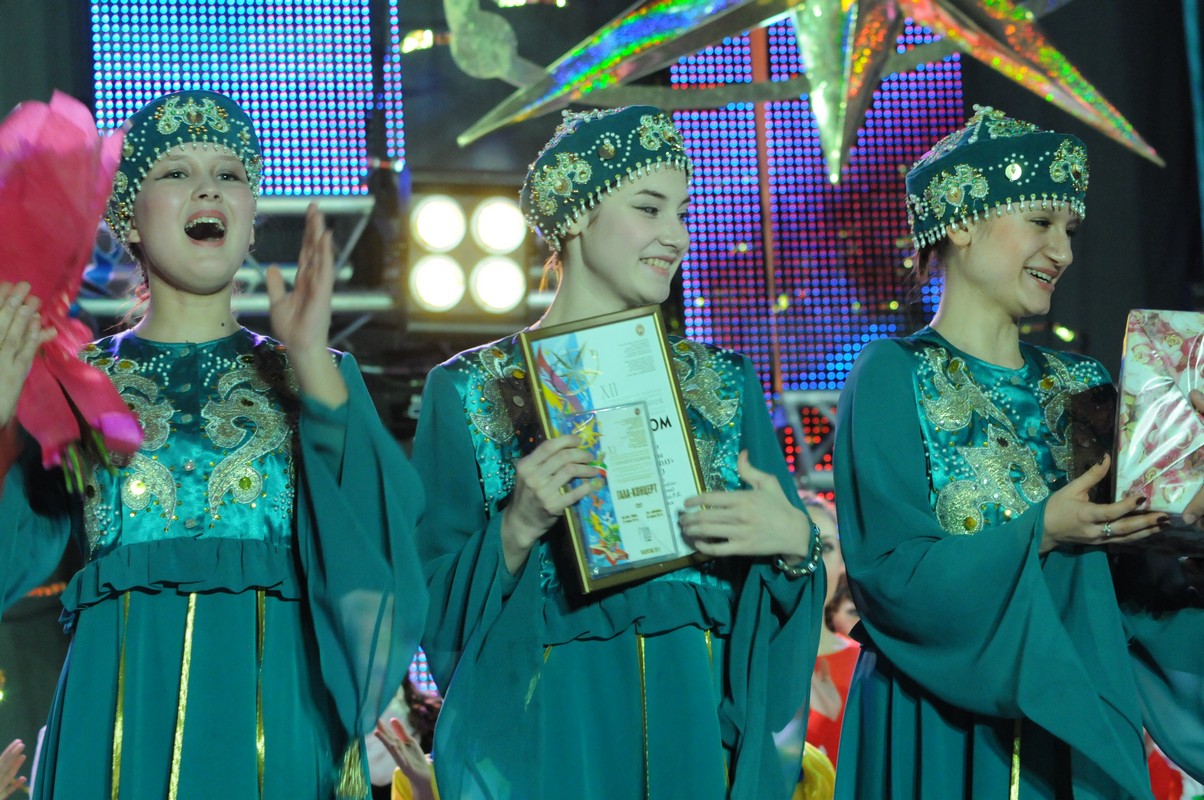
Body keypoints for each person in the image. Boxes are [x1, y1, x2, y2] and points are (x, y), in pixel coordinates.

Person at [0, 90, 427, 798]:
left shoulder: (312, 374)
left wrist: (312, 362)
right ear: (126, 218)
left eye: (229, 174)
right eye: (176, 172)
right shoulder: (78, 387)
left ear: (251, 220)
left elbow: (382, 553)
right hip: (117, 727)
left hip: (272, 721)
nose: (208, 188)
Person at [412, 106, 825, 799]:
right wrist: (516, 528)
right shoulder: (472, 391)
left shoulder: (725, 386)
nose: (677, 235)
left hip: (696, 736)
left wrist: (794, 546)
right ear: (575, 213)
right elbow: (432, 611)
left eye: (682, 213)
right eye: (649, 208)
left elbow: (775, 611)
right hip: (555, 742)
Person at [832, 105, 1204, 798]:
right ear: (961, 221)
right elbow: (888, 574)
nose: (1063, 252)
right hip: (943, 728)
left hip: (1081, 714)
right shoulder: (892, 373)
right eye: (1040, 222)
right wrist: (1043, 531)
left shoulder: (1084, 383)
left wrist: (1183, 518)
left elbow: (1138, 585)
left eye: (1070, 231)